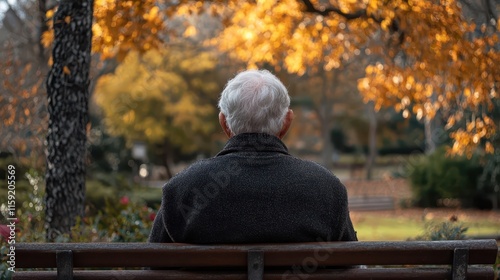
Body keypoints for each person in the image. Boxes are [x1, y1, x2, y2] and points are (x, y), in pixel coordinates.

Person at [149, 69, 357, 244]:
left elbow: (153, 267)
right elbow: (351, 265)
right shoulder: (327, 188)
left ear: (224, 123)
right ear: (287, 122)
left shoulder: (183, 189)